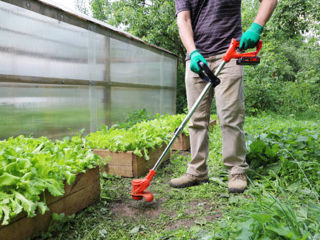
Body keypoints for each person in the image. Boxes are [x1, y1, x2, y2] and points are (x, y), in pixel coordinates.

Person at [170, 0, 278, 193]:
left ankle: (236, 170)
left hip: (229, 54)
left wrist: (256, 27)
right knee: (196, 119)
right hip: (196, 57)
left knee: (230, 116)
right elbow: (183, 20)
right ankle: (197, 171)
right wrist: (192, 52)